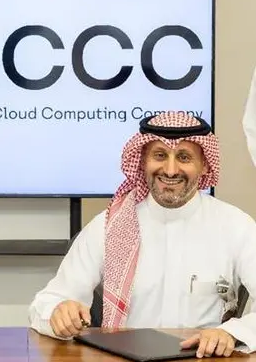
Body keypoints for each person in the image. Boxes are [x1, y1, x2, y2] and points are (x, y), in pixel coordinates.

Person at [28, 111, 256, 358]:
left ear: (204, 165)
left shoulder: (235, 225)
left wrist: (230, 332)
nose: (170, 170)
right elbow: (46, 302)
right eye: (160, 155)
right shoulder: (110, 225)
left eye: (184, 157)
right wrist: (58, 312)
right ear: (143, 161)